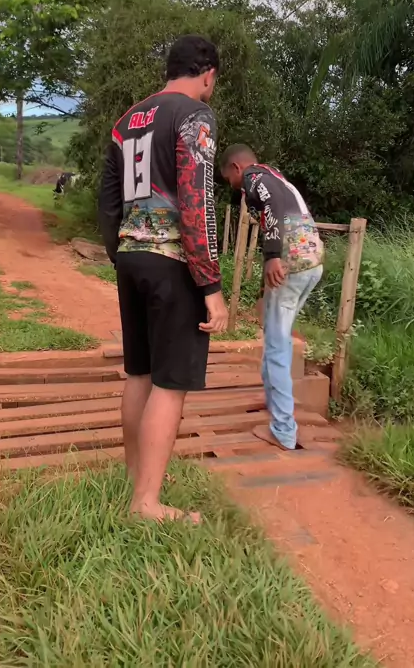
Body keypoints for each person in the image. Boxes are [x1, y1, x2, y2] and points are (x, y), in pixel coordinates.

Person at [99, 35, 228, 522]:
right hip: (173, 263)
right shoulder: (194, 115)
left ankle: (139, 478)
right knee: (170, 383)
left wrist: (121, 253)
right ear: (208, 75)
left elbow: (108, 199)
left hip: (131, 256)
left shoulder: (127, 120)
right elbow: (196, 201)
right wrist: (210, 285)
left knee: (140, 374)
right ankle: (146, 503)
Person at [220, 145, 323, 451]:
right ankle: (275, 404)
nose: (231, 185)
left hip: (290, 264)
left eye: (228, 178)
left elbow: (272, 205)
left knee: (277, 346)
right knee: (278, 337)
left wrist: (272, 256)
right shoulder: (277, 177)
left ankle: (283, 430)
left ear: (237, 168)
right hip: (311, 264)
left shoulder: (255, 177)